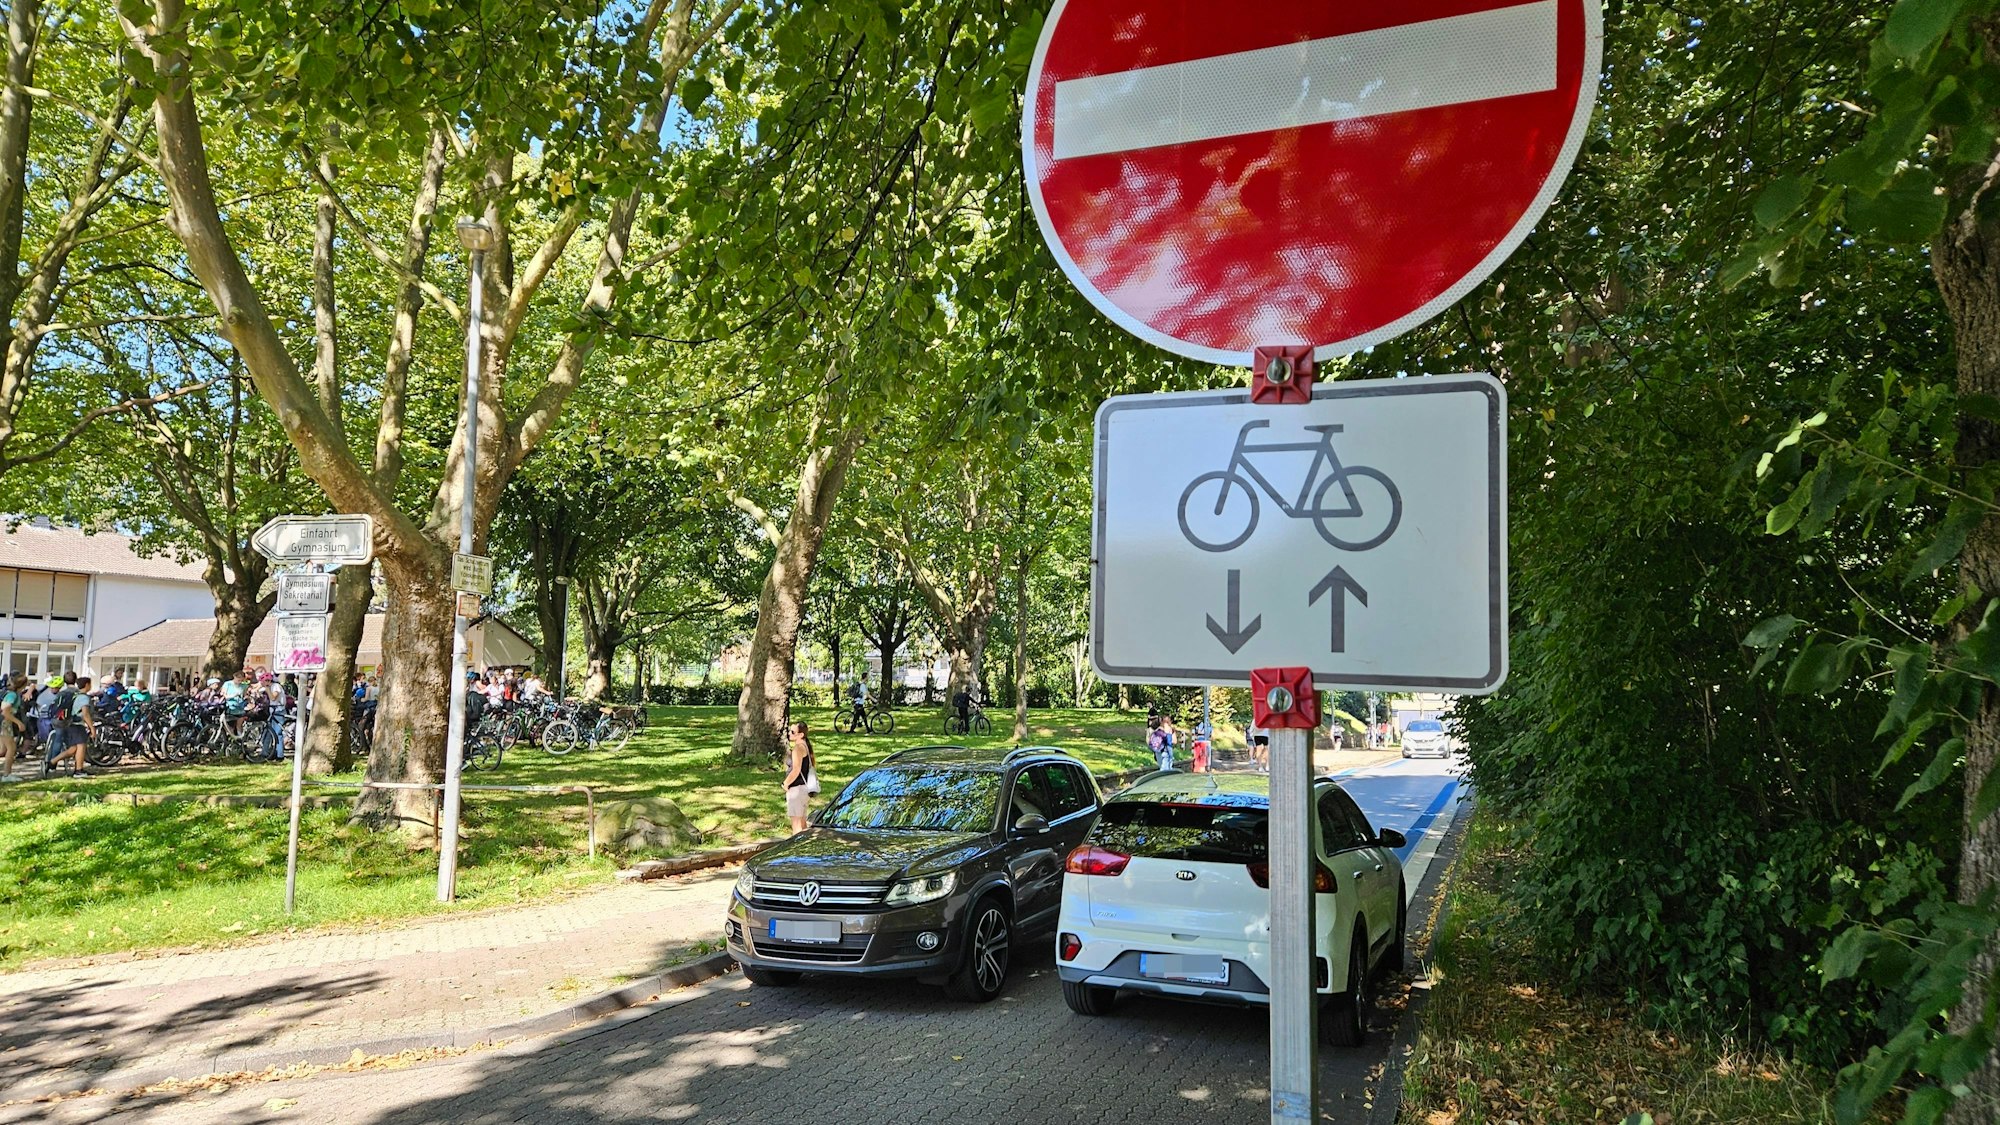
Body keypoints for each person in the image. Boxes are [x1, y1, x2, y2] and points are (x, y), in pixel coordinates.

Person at [45, 675, 94, 778]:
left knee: (73, 749)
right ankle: (79, 770)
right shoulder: (83, 697)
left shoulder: (74, 695)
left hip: (69, 723)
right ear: (87, 685)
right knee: (81, 746)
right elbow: (85, 714)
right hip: (77, 725)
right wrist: (92, 728)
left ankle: (52, 762)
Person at [784, 720, 818, 833]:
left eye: (793, 732)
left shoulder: (798, 748)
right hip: (804, 789)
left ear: (801, 735)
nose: (789, 733)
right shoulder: (805, 747)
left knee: (797, 826)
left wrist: (786, 783)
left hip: (796, 790)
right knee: (803, 824)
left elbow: (796, 770)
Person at [1, 675, 27, 779]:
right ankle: (7, 774)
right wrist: (18, 722)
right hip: (5, 723)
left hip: (5, 722)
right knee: (11, 748)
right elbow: (5, 711)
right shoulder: (13, 696)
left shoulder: (11, 694)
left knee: (2, 750)